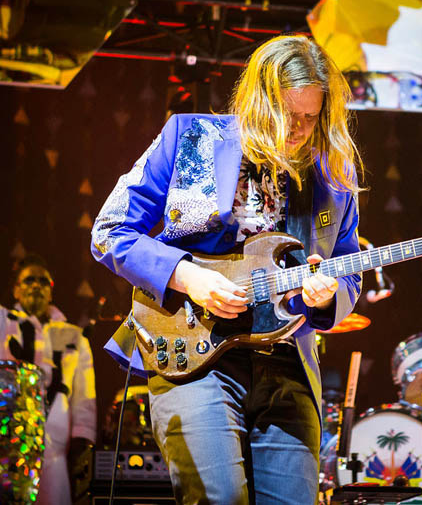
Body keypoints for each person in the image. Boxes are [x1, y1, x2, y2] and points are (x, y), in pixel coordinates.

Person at [90, 35, 364, 503]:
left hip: (288, 367)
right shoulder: (193, 137)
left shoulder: (333, 175)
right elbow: (110, 231)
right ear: (259, 100)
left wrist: (328, 293)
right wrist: (188, 277)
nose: (297, 129)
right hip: (194, 356)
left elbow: (348, 271)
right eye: (286, 113)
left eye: (309, 117)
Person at [0, 204, 97, 505]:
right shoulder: (0, 324)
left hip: (56, 454)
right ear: (17, 291)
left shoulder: (73, 335)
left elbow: (84, 399)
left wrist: (83, 445)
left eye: (43, 281)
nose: (36, 285)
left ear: (51, 291)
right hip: (3, 446)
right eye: (28, 281)